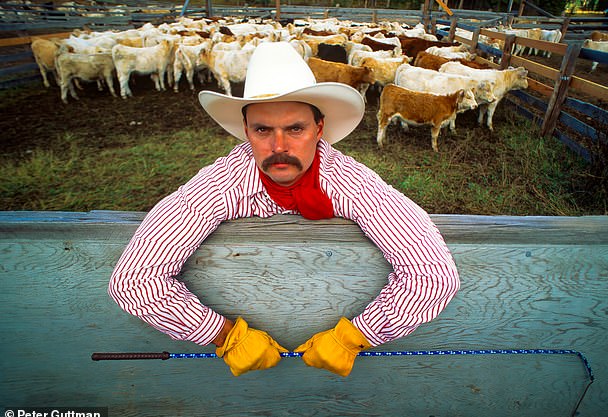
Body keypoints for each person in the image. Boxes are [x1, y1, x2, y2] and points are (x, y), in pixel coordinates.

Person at [109, 42, 460, 378]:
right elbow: (135, 281)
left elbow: (432, 276)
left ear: (319, 129)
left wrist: (356, 336)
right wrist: (223, 335)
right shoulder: (222, 183)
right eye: (263, 130)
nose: (279, 146)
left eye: (295, 128)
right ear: (246, 131)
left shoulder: (350, 182)